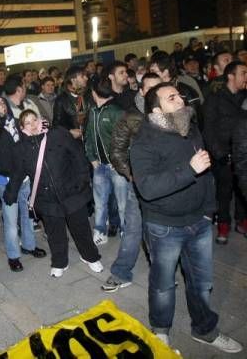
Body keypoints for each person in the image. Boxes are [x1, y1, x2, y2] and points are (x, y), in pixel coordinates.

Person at [129, 83, 242, 353]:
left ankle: (204, 329)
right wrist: (188, 170)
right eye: (172, 98)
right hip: (164, 226)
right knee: (163, 285)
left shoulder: (189, 128)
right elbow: (147, 188)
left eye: (179, 94)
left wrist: (208, 211)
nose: (181, 99)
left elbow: (205, 174)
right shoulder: (143, 141)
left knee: (202, 283)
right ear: (157, 109)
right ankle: (161, 331)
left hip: (199, 222)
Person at [4, 110, 102, 278]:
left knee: (81, 228)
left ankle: (90, 256)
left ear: (40, 119)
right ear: (22, 128)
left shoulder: (57, 135)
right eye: (28, 122)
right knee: (55, 233)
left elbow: (77, 156)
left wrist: (82, 180)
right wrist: (10, 193)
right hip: (46, 197)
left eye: (34, 119)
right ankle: (59, 262)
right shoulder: (21, 148)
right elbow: (18, 173)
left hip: (72, 191)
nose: (33, 124)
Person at [103, 72, 162, 292]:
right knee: (133, 228)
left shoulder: (172, 113)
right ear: (142, 91)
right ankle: (122, 271)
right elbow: (116, 151)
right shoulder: (130, 116)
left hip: (166, 182)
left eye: (160, 87)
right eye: (151, 88)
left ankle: (162, 273)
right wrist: (130, 175)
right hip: (137, 183)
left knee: (162, 229)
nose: (156, 92)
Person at [0, 97, 46, 272]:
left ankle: (29, 245)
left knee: (27, 215)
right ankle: (13, 256)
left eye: (3, 103)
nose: (2, 107)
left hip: (24, 177)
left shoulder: (17, 122)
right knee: (11, 220)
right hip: (4, 178)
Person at [202, 61, 247, 243]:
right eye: (243, 73)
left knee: (242, 189)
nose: (246, 77)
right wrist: (220, 153)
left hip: (243, 152)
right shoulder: (215, 98)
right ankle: (223, 224)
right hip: (223, 154)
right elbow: (208, 129)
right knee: (224, 192)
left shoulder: (245, 97)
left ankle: (242, 220)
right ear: (231, 76)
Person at [84, 79, 126, 245]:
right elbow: (88, 137)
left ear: (94, 93)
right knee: (100, 203)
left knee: (122, 204)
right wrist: (92, 159)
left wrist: (120, 163)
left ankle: (125, 230)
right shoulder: (93, 111)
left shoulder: (117, 112)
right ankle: (100, 230)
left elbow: (126, 141)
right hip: (99, 166)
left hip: (117, 167)